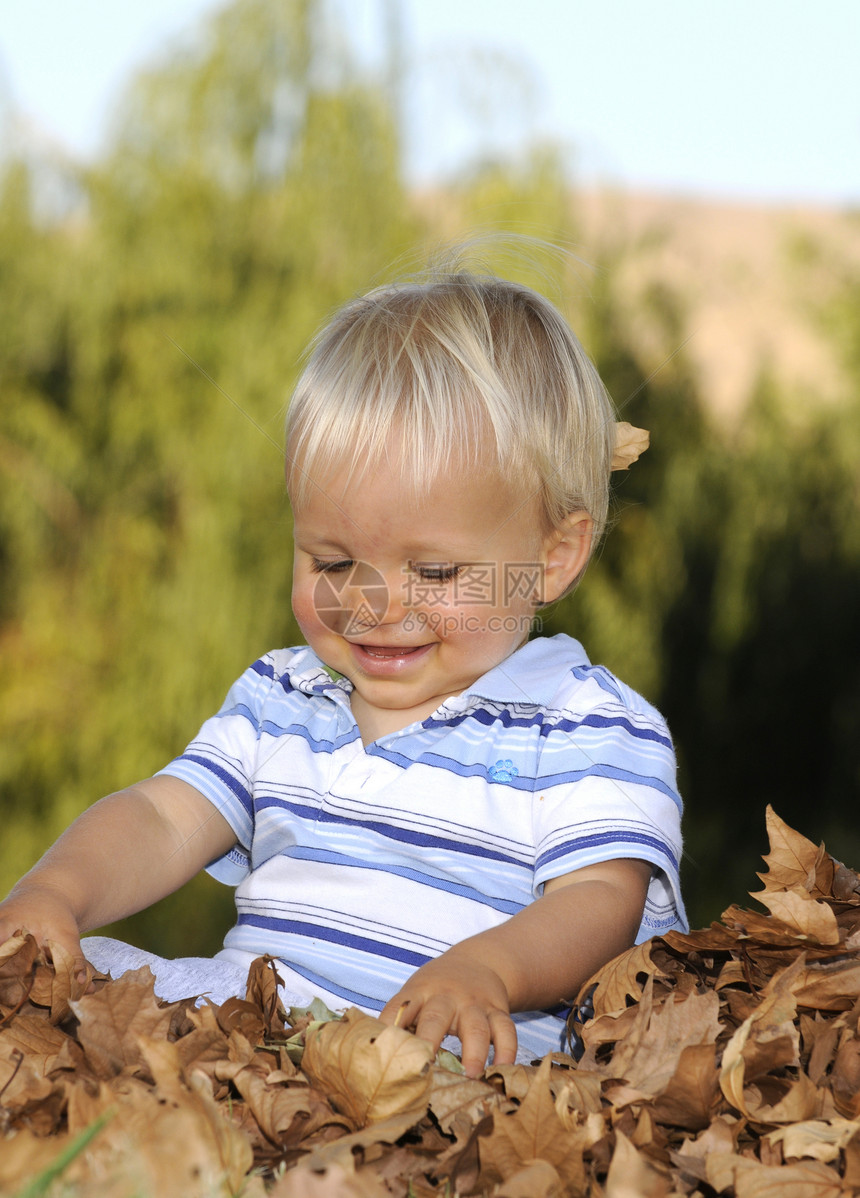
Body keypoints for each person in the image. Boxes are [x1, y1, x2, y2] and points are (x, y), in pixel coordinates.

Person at [0, 269, 686, 1076]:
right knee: (75, 984)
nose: (374, 604)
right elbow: (161, 817)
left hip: (439, 1067)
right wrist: (57, 891)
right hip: (249, 1039)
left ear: (551, 557)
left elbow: (602, 900)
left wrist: (488, 970)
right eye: (331, 561)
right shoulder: (282, 699)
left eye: (433, 575)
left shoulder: (585, 723)